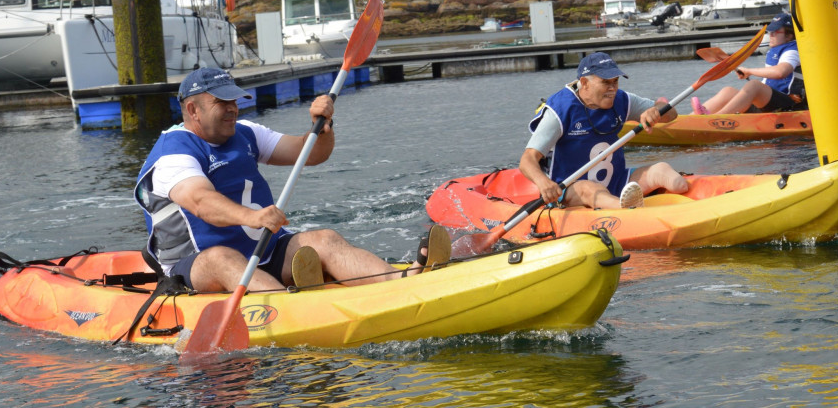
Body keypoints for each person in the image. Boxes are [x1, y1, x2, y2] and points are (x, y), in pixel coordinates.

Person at [135, 67, 449, 293]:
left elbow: (309, 153)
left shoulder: (245, 132)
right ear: (192, 109)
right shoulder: (172, 154)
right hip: (194, 266)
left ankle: (402, 282)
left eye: (234, 101)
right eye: (222, 103)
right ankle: (285, 308)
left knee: (323, 239)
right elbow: (200, 201)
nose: (233, 109)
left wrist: (322, 128)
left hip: (263, 251)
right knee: (223, 258)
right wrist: (253, 216)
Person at [520, 52, 689, 210]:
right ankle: (629, 211)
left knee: (662, 170)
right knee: (589, 189)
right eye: (606, 82)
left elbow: (671, 114)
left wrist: (657, 111)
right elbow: (527, 160)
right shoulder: (560, 110)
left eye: (615, 81)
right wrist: (543, 183)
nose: (612, 89)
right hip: (571, 192)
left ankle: (692, 206)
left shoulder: (622, 100)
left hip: (616, 182)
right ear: (584, 83)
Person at [690, 12, 806, 115]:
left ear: (789, 35)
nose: (770, 35)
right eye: (770, 31)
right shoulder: (776, 49)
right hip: (769, 102)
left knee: (754, 85)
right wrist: (745, 72)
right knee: (728, 91)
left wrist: (749, 71)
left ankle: (716, 119)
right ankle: (691, 119)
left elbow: (781, 72)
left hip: (789, 104)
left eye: (775, 32)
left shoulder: (792, 51)